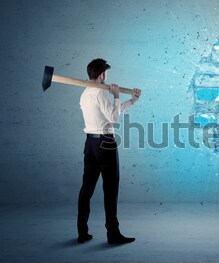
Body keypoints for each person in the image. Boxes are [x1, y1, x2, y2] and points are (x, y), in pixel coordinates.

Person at [77, 58, 141, 244]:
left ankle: (82, 232)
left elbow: (110, 112)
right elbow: (113, 118)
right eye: (106, 74)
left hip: (90, 143)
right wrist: (116, 95)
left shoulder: (85, 94)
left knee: (86, 188)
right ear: (102, 75)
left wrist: (131, 101)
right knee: (110, 189)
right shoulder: (99, 93)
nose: (106, 77)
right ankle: (113, 234)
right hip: (105, 143)